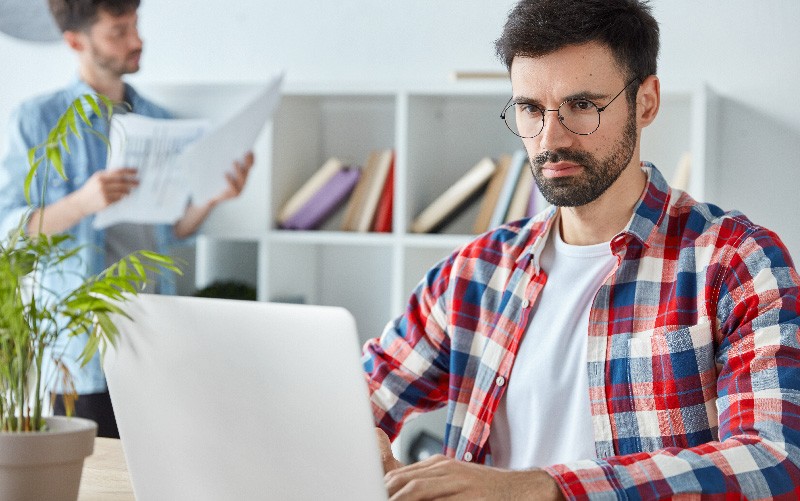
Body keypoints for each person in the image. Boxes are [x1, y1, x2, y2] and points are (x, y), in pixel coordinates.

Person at [364, 0, 800, 498]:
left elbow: (775, 463)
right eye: (530, 108)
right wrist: (359, 442)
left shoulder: (737, 262)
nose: (550, 139)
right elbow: (359, 396)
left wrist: (545, 488)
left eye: (583, 106)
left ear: (646, 102)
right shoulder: (474, 273)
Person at [0, 0, 253, 438]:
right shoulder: (37, 120)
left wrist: (211, 199)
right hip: (84, 345)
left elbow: (170, 231)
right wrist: (83, 201)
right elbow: (11, 229)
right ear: (76, 41)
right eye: (118, 31)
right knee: (98, 477)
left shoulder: (158, 119)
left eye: (135, 25)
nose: (136, 40)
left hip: (157, 335)